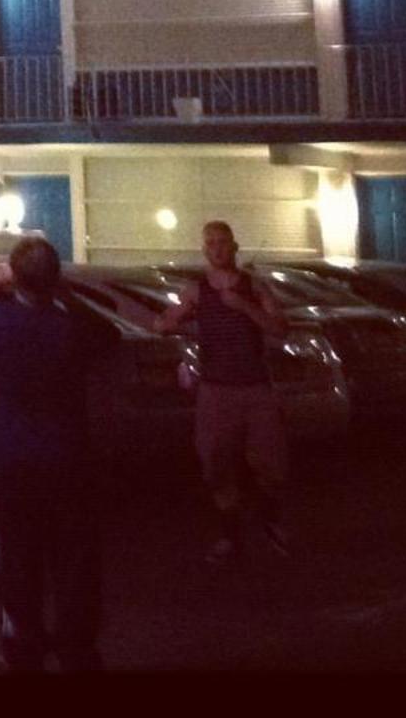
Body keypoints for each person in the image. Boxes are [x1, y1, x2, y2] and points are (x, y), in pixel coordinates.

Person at [0, 234, 116, 673]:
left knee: (16, 559)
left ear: (14, 277)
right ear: (56, 277)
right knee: (75, 559)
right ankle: (77, 649)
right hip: (69, 458)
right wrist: (58, 290)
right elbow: (109, 332)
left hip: (11, 459)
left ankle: (23, 647)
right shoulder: (72, 329)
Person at [156, 219, 290, 563]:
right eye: (210, 243)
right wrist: (170, 322)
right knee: (216, 461)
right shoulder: (197, 291)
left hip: (255, 387)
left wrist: (244, 306)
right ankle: (230, 536)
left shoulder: (254, 287)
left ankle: (271, 523)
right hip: (217, 390)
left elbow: (280, 330)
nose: (217, 248)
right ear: (204, 250)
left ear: (234, 247)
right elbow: (165, 322)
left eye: (222, 242)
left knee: (269, 463)